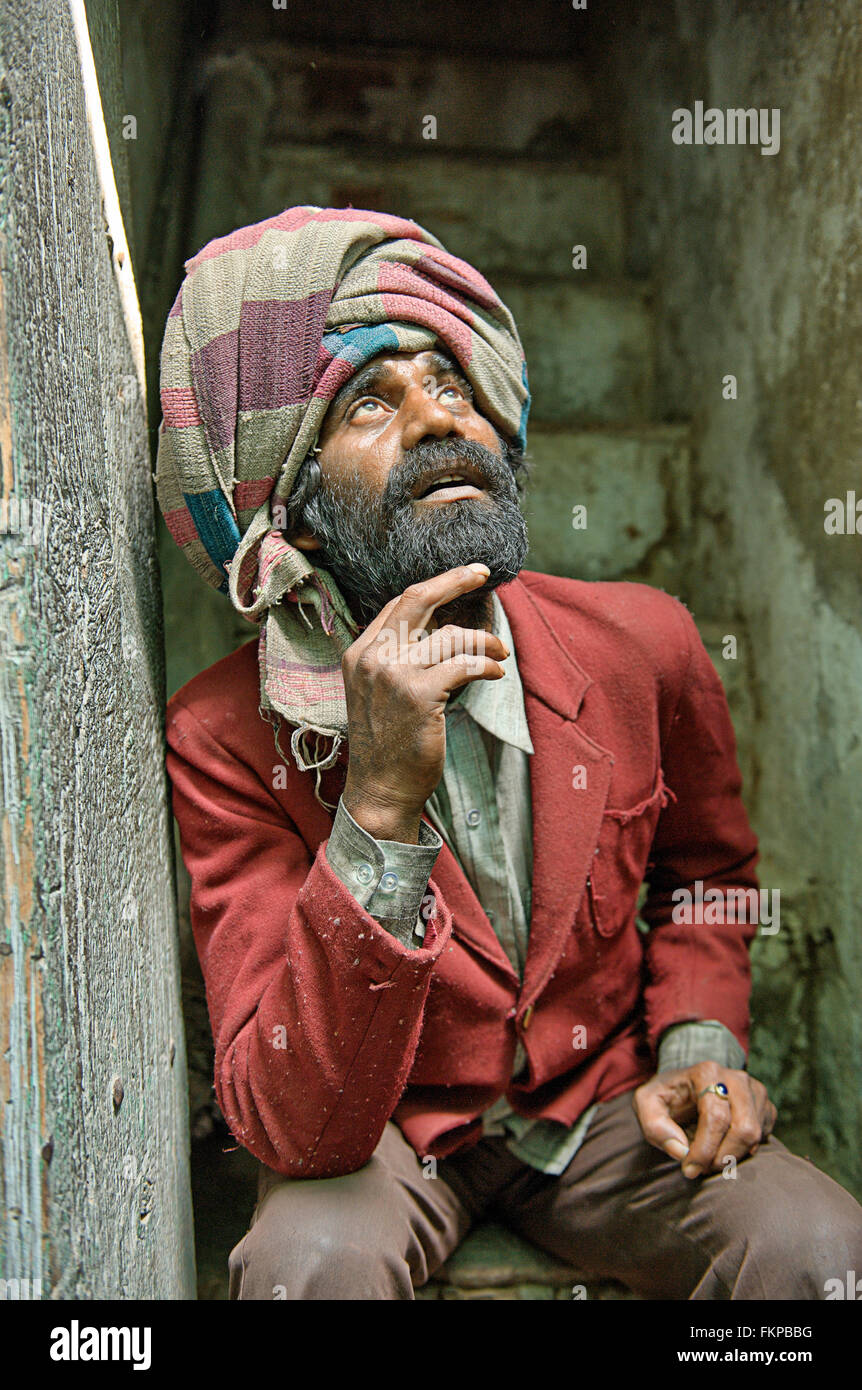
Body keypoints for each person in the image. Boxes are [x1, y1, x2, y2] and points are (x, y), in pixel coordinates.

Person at [157, 205, 862, 1300]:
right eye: (368, 405)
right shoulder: (224, 736)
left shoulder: (645, 647)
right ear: (284, 498)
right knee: (307, 1271)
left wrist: (696, 1051)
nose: (438, 422)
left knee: (818, 1248)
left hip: (601, 1108)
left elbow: (707, 880)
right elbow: (286, 1115)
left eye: (453, 386)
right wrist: (378, 806)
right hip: (382, 1132)